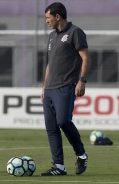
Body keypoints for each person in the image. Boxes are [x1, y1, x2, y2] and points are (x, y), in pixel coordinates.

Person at [40, 2, 91, 176]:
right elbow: (50, 64)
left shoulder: (75, 32)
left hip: (66, 86)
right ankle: (59, 167)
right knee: (51, 127)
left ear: (57, 16)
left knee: (63, 121)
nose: (46, 21)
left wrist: (82, 81)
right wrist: (43, 87)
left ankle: (81, 155)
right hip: (50, 89)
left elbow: (86, 57)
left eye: (48, 18)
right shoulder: (52, 36)